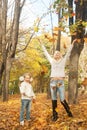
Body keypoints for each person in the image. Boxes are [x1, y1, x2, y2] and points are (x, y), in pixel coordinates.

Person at [40, 39, 77, 121]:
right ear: (54, 55)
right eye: (55, 53)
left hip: (60, 82)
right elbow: (46, 53)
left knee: (62, 99)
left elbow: (68, 53)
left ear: (60, 55)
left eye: (58, 53)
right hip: (53, 82)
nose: (56, 54)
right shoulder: (52, 61)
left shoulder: (63, 61)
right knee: (54, 99)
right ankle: (55, 115)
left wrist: (72, 44)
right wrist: (41, 43)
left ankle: (69, 112)